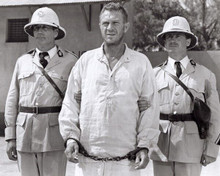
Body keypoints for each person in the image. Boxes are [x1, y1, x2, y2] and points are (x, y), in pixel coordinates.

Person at [58, 2, 160, 176]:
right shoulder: (85, 61)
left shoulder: (141, 63)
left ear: (126, 26)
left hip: (126, 163)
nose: (110, 28)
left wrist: (144, 145)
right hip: (87, 161)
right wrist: (70, 137)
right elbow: (70, 104)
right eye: (105, 23)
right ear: (99, 26)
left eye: (115, 23)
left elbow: (150, 109)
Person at [4, 7, 78, 176]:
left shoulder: (70, 61)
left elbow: (75, 102)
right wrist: (10, 137)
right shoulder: (23, 61)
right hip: (25, 135)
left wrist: (72, 136)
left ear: (55, 31)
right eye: (36, 28)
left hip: (54, 135)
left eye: (45, 27)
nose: (39, 32)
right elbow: (12, 100)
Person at [150, 16, 220, 176]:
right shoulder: (153, 75)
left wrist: (211, 149)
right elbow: (145, 112)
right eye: (168, 36)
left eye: (177, 36)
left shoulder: (205, 75)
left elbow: (215, 116)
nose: (172, 40)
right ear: (164, 43)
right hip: (161, 147)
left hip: (191, 148)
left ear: (188, 41)